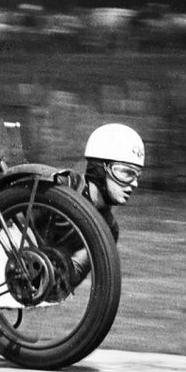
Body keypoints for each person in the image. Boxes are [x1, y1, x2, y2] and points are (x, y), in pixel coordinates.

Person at [56, 122, 145, 288]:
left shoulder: (109, 228)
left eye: (137, 176)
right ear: (100, 168)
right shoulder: (63, 186)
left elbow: (69, 279)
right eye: (126, 172)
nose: (134, 184)